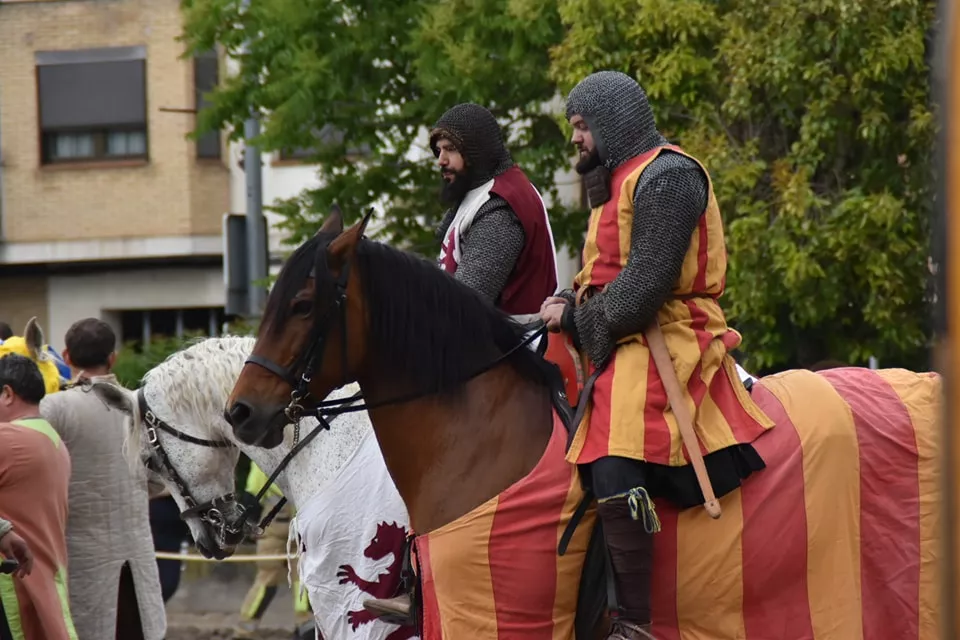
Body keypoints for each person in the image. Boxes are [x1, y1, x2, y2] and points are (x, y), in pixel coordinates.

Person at [539, 71, 775, 639]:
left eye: (580, 127)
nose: (576, 139)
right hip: (624, 331)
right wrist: (566, 298)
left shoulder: (668, 176)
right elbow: (604, 272)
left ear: (610, 124)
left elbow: (645, 285)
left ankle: (635, 623)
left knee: (616, 442)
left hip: (671, 334)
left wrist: (577, 319)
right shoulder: (613, 183)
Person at [40, 318, 166, 640]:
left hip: (79, 557)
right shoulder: (138, 405)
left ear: (66, 356)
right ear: (113, 357)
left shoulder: (53, 407)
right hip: (135, 554)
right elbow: (159, 479)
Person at [432, 102, 559, 315]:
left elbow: (465, 303)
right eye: (438, 151)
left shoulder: (501, 203)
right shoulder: (476, 193)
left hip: (514, 343)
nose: (440, 160)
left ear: (476, 151)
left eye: (450, 149)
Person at [0, 353, 77, 639]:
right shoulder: (54, 442)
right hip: (42, 587)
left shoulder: (7, 438)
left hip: (10, 588)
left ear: (7, 394)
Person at [233, 463, 312, 639]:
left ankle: (245, 629)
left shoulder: (263, 456)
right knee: (302, 578)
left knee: (267, 579)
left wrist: (249, 523)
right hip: (301, 525)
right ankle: (306, 625)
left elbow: (253, 491)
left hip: (274, 526)